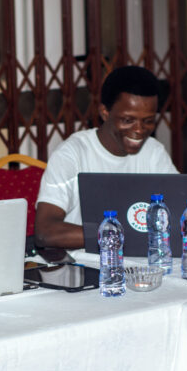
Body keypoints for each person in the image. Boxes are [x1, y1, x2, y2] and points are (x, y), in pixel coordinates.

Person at [34, 65, 179, 249]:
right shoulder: (72, 154)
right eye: (128, 120)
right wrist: (118, 234)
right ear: (105, 113)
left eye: (148, 121)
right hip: (85, 266)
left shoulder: (154, 152)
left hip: (141, 267)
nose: (139, 130)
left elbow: (180, 213)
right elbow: (45, 232)